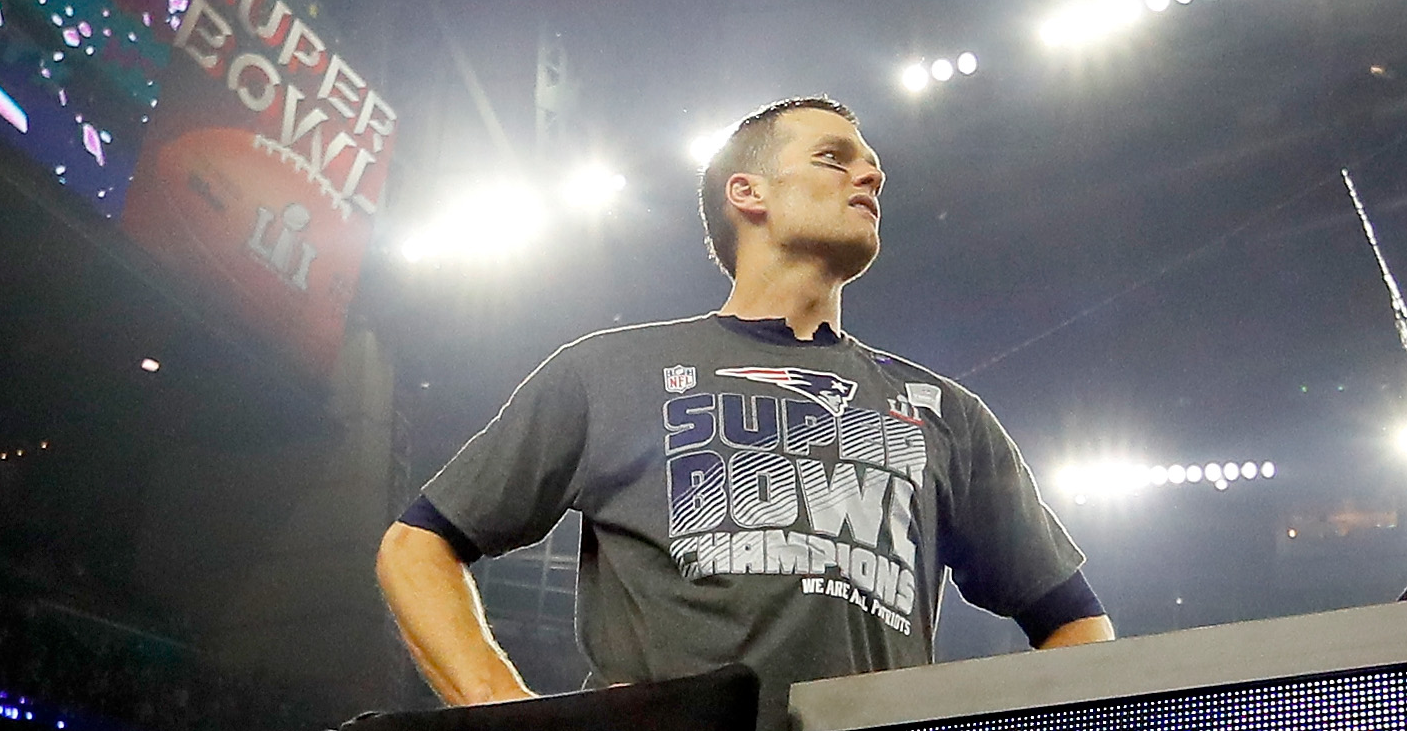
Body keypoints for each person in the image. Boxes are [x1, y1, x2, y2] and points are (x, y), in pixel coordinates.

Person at [375, 97, 1112, 727]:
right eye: (834, 157)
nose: (872, 173)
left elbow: (1074, 621)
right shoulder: (607, 372)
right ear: (749, 193)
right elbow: (418, 547)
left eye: (871, 164)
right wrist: (507, 713)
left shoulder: (947, 414)